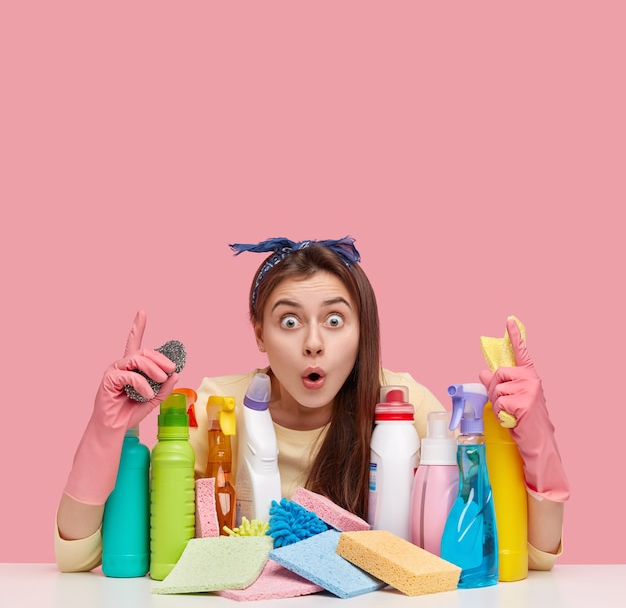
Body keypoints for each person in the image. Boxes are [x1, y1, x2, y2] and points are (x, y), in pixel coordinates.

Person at [55, 236, 569, 573]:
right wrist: (106, 433)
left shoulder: (403, 405)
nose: (313, 344)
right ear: (258, 332)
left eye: (336, 320)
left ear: (362, 329)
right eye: (289, 321)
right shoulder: (214, 407)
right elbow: (81, 555)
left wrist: (537, 438)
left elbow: (529, 557)